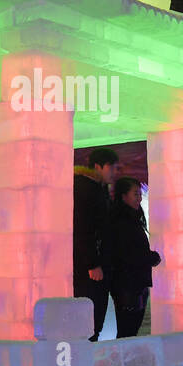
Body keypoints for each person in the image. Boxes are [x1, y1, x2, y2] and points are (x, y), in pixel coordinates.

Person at [103, 177, 161, 338]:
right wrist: (151, 257)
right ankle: (122, 362)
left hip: (134, 284)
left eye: (140, 194)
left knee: (130, 331)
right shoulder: (122, 222)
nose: (139, 198)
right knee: (127, 331)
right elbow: (127, 253)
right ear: (123, 196)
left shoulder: (131, 219)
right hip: (127, 285)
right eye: (135, 194)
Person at [74, 147, 119, 342]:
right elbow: (84, 229)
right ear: (98, 166)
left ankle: (88, 363)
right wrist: (92, 263)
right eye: (112, 167)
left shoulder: (96, 188)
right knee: (90, 320)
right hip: (90, 269)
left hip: (96, 266)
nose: (114, 172)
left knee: (94, 321)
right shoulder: (86, 188)